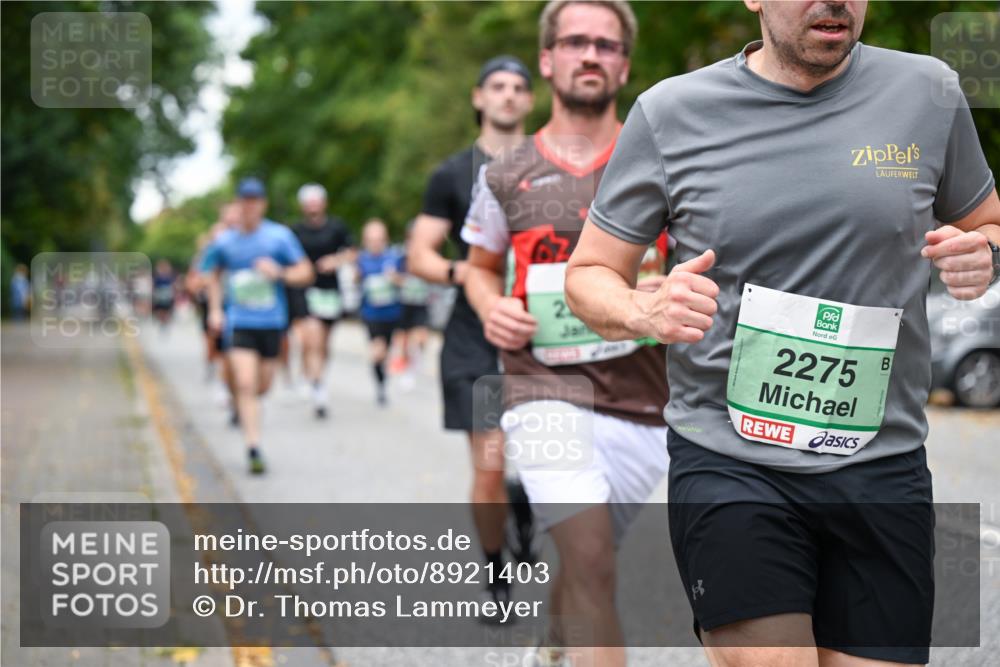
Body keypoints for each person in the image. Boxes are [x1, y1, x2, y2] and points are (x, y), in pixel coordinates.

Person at [565, 1, 1000, 665]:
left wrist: (984, 253)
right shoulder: (672, 112)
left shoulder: (928, 93)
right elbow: (590, 273)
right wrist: (642, 312)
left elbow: (987, 223)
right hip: (730, 458)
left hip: (881, 464)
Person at [463, 3, 669, 664]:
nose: (590, 55)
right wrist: (491, 305)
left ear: (624, 65)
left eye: (606, 46)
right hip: (542, 388)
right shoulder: (504, 173)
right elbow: (479, 268)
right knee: (589, 559)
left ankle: (554, 645)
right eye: (574, 42)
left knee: (589, 561)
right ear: (547, 59)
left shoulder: (665, 165)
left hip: (645, 399)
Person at [407, 54, 538, 615]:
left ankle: (524, 507)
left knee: (536, 463)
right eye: (497, 87)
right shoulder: (453, 174)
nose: (508, 96)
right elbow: (419, 254)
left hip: (544, 336)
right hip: (474, 337)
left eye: (518, 87)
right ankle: (496, 579)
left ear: (530, 100)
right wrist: (467, 272)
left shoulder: (558, 164)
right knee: (489, 464)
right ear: (478, 98)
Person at [204, 178, 314, 474]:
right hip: (239, 321)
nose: (250, 205)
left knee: (262, 386)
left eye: (255, 200)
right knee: (245, 382)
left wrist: (278, 272)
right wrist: (215, 310)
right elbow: (211, 274)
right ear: (238, 203)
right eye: (245, 200)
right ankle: (253, 447)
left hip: (271, 322)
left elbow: (305, 272)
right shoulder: (225, 241)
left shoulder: (279, 237)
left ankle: (243, 401)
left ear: (263, 204)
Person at [291, 182, 356, 419]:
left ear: (323, 203)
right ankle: (317, 386)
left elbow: (351, 251)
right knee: (312, 339)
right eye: (309, 203)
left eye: (316, 202)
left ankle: (318, 378)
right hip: (307, 291)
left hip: (330, 292)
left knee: (324, 343)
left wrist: (334, 261)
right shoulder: (296, 231)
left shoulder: (337, 227)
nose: (313, 207)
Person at [356, 218, 404, 406]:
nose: (375, 243)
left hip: (392, 313)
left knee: (386, 350)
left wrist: (395, 278)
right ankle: (380, 384)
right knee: (378, 348)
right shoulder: (361, 259)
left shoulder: (394, 257)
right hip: (371, 313)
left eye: (379, 239)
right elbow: (357, 281)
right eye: (371, 239)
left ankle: (382, 379)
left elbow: (405, 281)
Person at [151, 259, 177, 331]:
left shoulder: (170, 276)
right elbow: (154, 286)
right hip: (160, 295)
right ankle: (162, 321)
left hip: (167, 295)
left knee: (167, 309)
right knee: (160, 309)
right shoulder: (157, 277)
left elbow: (173, 286)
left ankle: (165, 321)